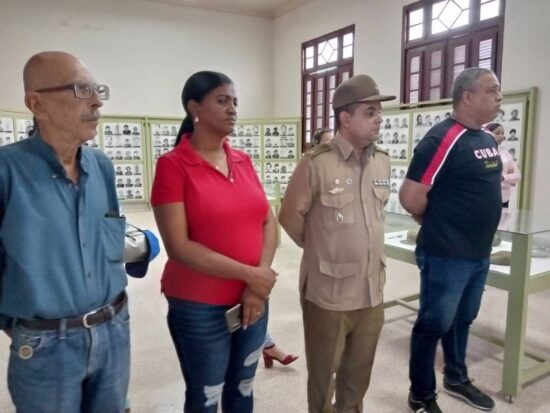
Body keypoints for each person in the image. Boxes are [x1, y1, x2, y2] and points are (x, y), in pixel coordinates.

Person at [0, 51, 135, 412]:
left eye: (96, 89)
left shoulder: (102, 167)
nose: (97, 101)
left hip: (114, 329)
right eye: (81, 90)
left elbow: (110, 240)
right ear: (36, 103)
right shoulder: (6, 171)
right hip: (46, 344)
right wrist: (24, 324)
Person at [150, 71, 278, 413]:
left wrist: (258, 281)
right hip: (199, 307)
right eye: (222, 101)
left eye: (235, 101)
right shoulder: (172, 166)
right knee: (206, 396)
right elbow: (179, 246)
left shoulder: (243, 160)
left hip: (252, 300)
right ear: (195, 108)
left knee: (243, 390)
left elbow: (269, 220)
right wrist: (251, 275)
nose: (232, 109)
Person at [279, 74, 394, 413]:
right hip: (328, 292)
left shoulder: (382, 160)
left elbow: (376, 213)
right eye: (370, 112)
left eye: (378, 112)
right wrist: (321, 248)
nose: (379, 119)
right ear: (346, 117)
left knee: (358, 375)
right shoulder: (316, 164)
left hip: (371, 290)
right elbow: (289, 217)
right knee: (323, 376)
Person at [399, 67, 503, 413]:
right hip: (446, 252)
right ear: (468, 96)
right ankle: (421, 395)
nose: (499, 97)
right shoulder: (442, 138)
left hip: (478, 253)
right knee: (434, 323)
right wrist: (441, 221)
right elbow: (411, 197)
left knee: (463, 318)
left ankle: (456, 377)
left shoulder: (488, 139)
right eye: (492, 90)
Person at [486, 123, 521, 208]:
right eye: (497, 133)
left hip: (504, 199)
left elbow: (518, 176)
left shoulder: (505, 153)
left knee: (504, 220)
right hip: (486, 198)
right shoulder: (482, 152)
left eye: (502, 133)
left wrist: (503, 178)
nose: (501, 136)